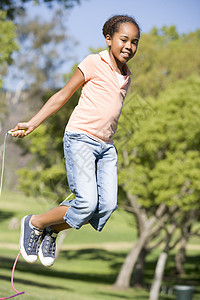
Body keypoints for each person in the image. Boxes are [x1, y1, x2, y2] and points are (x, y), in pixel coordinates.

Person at [11, 15, 141, 267]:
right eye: (124, 39)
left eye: (134, 42)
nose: (129, 46)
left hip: (106, 147)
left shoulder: (126, 75)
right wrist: (33, 123)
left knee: (106, 207)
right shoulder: (94, 62)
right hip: (80, 137)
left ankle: (51, 230)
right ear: (109, 39)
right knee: (86, 202)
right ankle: (35, 222)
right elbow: (63, 95)